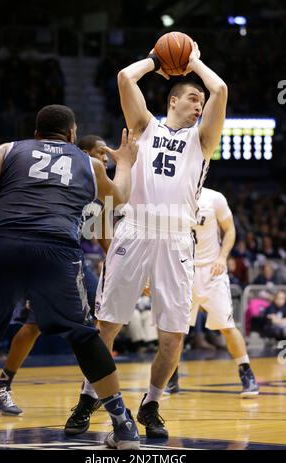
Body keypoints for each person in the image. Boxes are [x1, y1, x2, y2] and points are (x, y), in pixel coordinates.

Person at [75, 39, 228, 439]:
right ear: (173, 100)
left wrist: (194, 60)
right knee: (106, 325)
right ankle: (89, 396)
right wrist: (157, 62)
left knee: (174, 335)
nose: (199, 105)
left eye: (200, 101)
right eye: (192, 99)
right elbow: (125, 76)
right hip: (136, 229)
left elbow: (221, 90)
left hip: (178, 238)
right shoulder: (145, 126)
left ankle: (151, 403)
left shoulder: (202, 140)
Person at [0, 105, 140, 450]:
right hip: (55, 249)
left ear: (36, 133)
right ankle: (123, 425)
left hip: (1, 242)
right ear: (72, 135)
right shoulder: (90, 163)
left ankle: (4, 382)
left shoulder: (7, 149)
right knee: (85, 336)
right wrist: (127, 161)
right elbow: (121, 196)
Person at [0, 133, 109, 418]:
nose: (105, 159)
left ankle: (92, 386)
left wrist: (119, 266)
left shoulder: (93, 187)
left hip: (62, 260)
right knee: (34, 324)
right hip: (30, 251)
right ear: (83, 153)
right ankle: (4, 384)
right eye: (101, 153)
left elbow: (104, 235)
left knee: (88, 317)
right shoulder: (68, 172)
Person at [166, 188, 259, 398]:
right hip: (183, 270)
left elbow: (230, 230)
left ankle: (247, 373)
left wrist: (222, 258)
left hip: (212, 270)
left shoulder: (214, 198)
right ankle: (171, 379)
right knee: (175, 330)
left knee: (227, 326)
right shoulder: (172, 195)